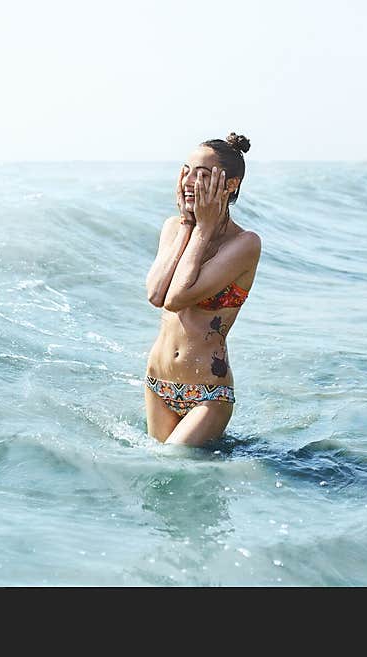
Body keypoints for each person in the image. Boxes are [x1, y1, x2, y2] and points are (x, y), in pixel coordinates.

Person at [144, 132, 262, 447]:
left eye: (204, 175)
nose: (190, 181)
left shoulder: (245, 243)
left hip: (209, 394)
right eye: (187, 171)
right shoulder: (173, 228)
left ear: (231, 185)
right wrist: (187, 224)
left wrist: (204, 229)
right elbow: (156, 295)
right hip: (158, 384)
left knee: (173, 462)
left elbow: (177, 298)